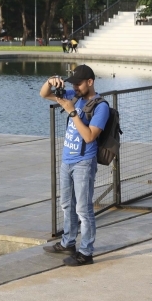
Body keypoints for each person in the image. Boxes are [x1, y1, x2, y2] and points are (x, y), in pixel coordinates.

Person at [40, 65, 109, 267]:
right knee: (67, 204)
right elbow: (44, 94)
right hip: (67, 160)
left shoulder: (100, 106)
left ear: (90, 82)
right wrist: (51, 81)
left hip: (83, 163)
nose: (75, 87)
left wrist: (72, 113)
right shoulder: (75, 96)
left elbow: (89, 137)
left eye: (79, 83)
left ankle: (86, 252)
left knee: (83, 209)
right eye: (73, 84)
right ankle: (68, 242)